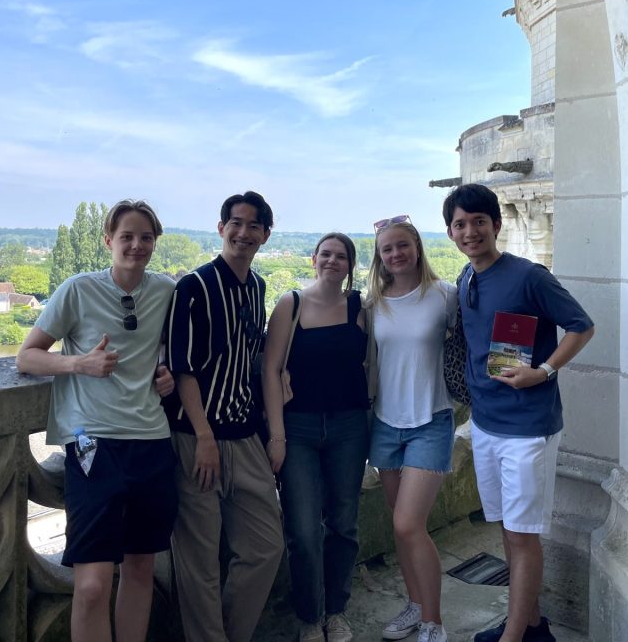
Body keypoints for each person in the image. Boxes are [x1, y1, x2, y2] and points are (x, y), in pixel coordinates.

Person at [16, 199, 178, 642]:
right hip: (93, 444)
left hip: (151, 441)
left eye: (146, 237)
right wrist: (79, 365)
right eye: (127, 236)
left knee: (141, 569)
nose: (137, 245)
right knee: (90, 585)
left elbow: (166, 348)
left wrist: (165, 371)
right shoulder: (77, 289)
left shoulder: (165, 291)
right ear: (108, 240)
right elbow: (27, 356)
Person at [441, 184, 594, 642]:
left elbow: (581, 326)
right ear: (450, 232)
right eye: (460, 224)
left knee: (523, 536)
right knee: (509, 531)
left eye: (478, 222)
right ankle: (530, 625)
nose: (470, 232)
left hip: (527, 429)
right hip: (486, 424)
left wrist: (544, 371)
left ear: (496, 224)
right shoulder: (466, 280)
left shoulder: (529, 276)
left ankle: (513, 637)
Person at [165, 191, 284, 642]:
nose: (243, 232)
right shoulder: (193, 287)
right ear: (221, 228)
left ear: (265, 236)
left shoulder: (256, 288)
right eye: (236, 223)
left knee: (265, 548)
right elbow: (183, 369)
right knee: (199, 561)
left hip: (244, 434)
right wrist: (203, 436)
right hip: (198, 438)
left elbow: (251, 354)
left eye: (254, 225)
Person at [262, 232, 370, 642]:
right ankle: (310, 615)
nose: (332, 261)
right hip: (299, 428)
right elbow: (271, 371)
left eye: (341, 256)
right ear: (313, 259)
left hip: (349, 426)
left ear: (350, 265)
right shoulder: (291, 304)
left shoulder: (360, 307)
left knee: (343, 524)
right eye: (325, 254)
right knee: (303, 530)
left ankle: (336, 611)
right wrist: (277, 435)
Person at [366, 215, 457, 642]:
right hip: (386, 424)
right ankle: (414, 605)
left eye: (403, 245)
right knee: (402, 527)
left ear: (417, 247)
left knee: (408, 524)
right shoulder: (373, 303)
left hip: (431, 421)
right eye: (388, 249)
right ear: (379, 257)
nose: (396, 254)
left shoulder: (444, 296)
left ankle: (434, 622)